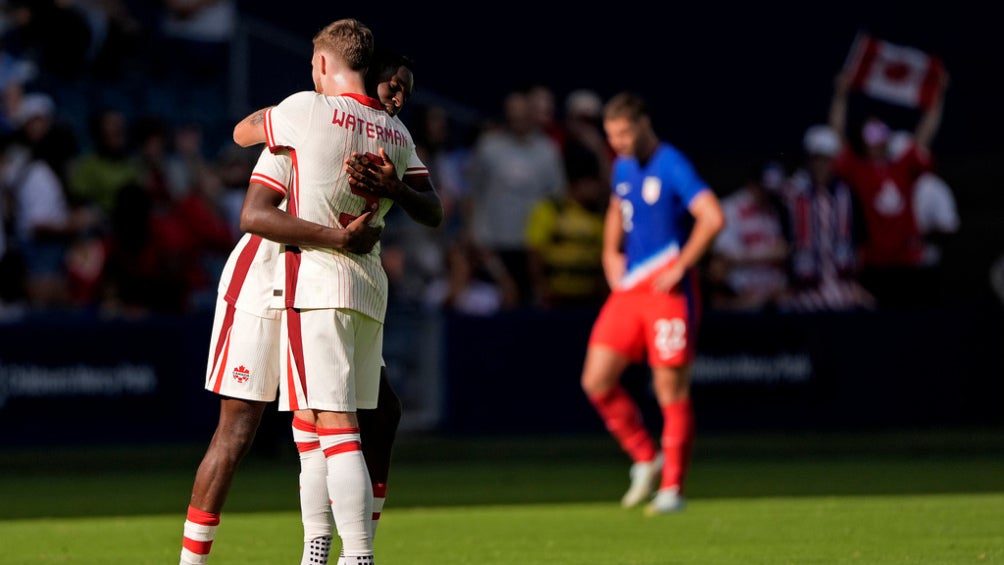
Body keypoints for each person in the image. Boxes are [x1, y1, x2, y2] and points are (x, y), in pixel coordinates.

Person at [180, 33, 440, 565]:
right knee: (242, 426)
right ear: (367, 76)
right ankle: (197, 559)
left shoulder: (367, 130)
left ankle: (325, 550)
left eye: (405, 94)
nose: (397, 99)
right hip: (266, 274)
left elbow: (429, 207)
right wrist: (344, 234)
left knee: (336, 416)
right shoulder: (304, 125)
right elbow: (255, 214)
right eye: (393, 87)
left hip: (323, 275)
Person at [579, 92, 724, 516]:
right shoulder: (623, 166)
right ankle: (646, 457)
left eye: (624, 132)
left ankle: (673, 490)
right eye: (612, 135)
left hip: (668, 294)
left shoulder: (671, 164)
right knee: (596, 381)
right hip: (631, 290)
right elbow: (616, 205)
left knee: (669, 391)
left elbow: (712, 216)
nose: (619, 141)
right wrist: (610, 254)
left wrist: (683, 265)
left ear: (644, 124)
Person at [828, 68, 948, 309]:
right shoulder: (857, 168)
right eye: (870, 132)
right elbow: (836, 137)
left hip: (907, 259)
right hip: (874, 261)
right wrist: (840, 95)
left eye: (881, 131)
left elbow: (925, 134)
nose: (877, 137)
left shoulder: (902, 164)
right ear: (862, 138)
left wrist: (939, 94)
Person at [777, 125, 874, 313]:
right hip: (803, 290)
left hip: (845, 288)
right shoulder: (792, 195)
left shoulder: (848, 195)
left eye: (826, 159)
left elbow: (860, 241)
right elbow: (783, 242)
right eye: (816, 159)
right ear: (809, 160)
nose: (821, 165)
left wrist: (856, 282)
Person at [706, 159, 790, 312]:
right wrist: (769, 253)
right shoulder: (730, 208)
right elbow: (723, 258)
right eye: (763, 190)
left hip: (773, 300)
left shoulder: (775, 209)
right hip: (742, 301)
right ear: (752, 185)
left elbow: (785, 251)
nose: (767, 196)